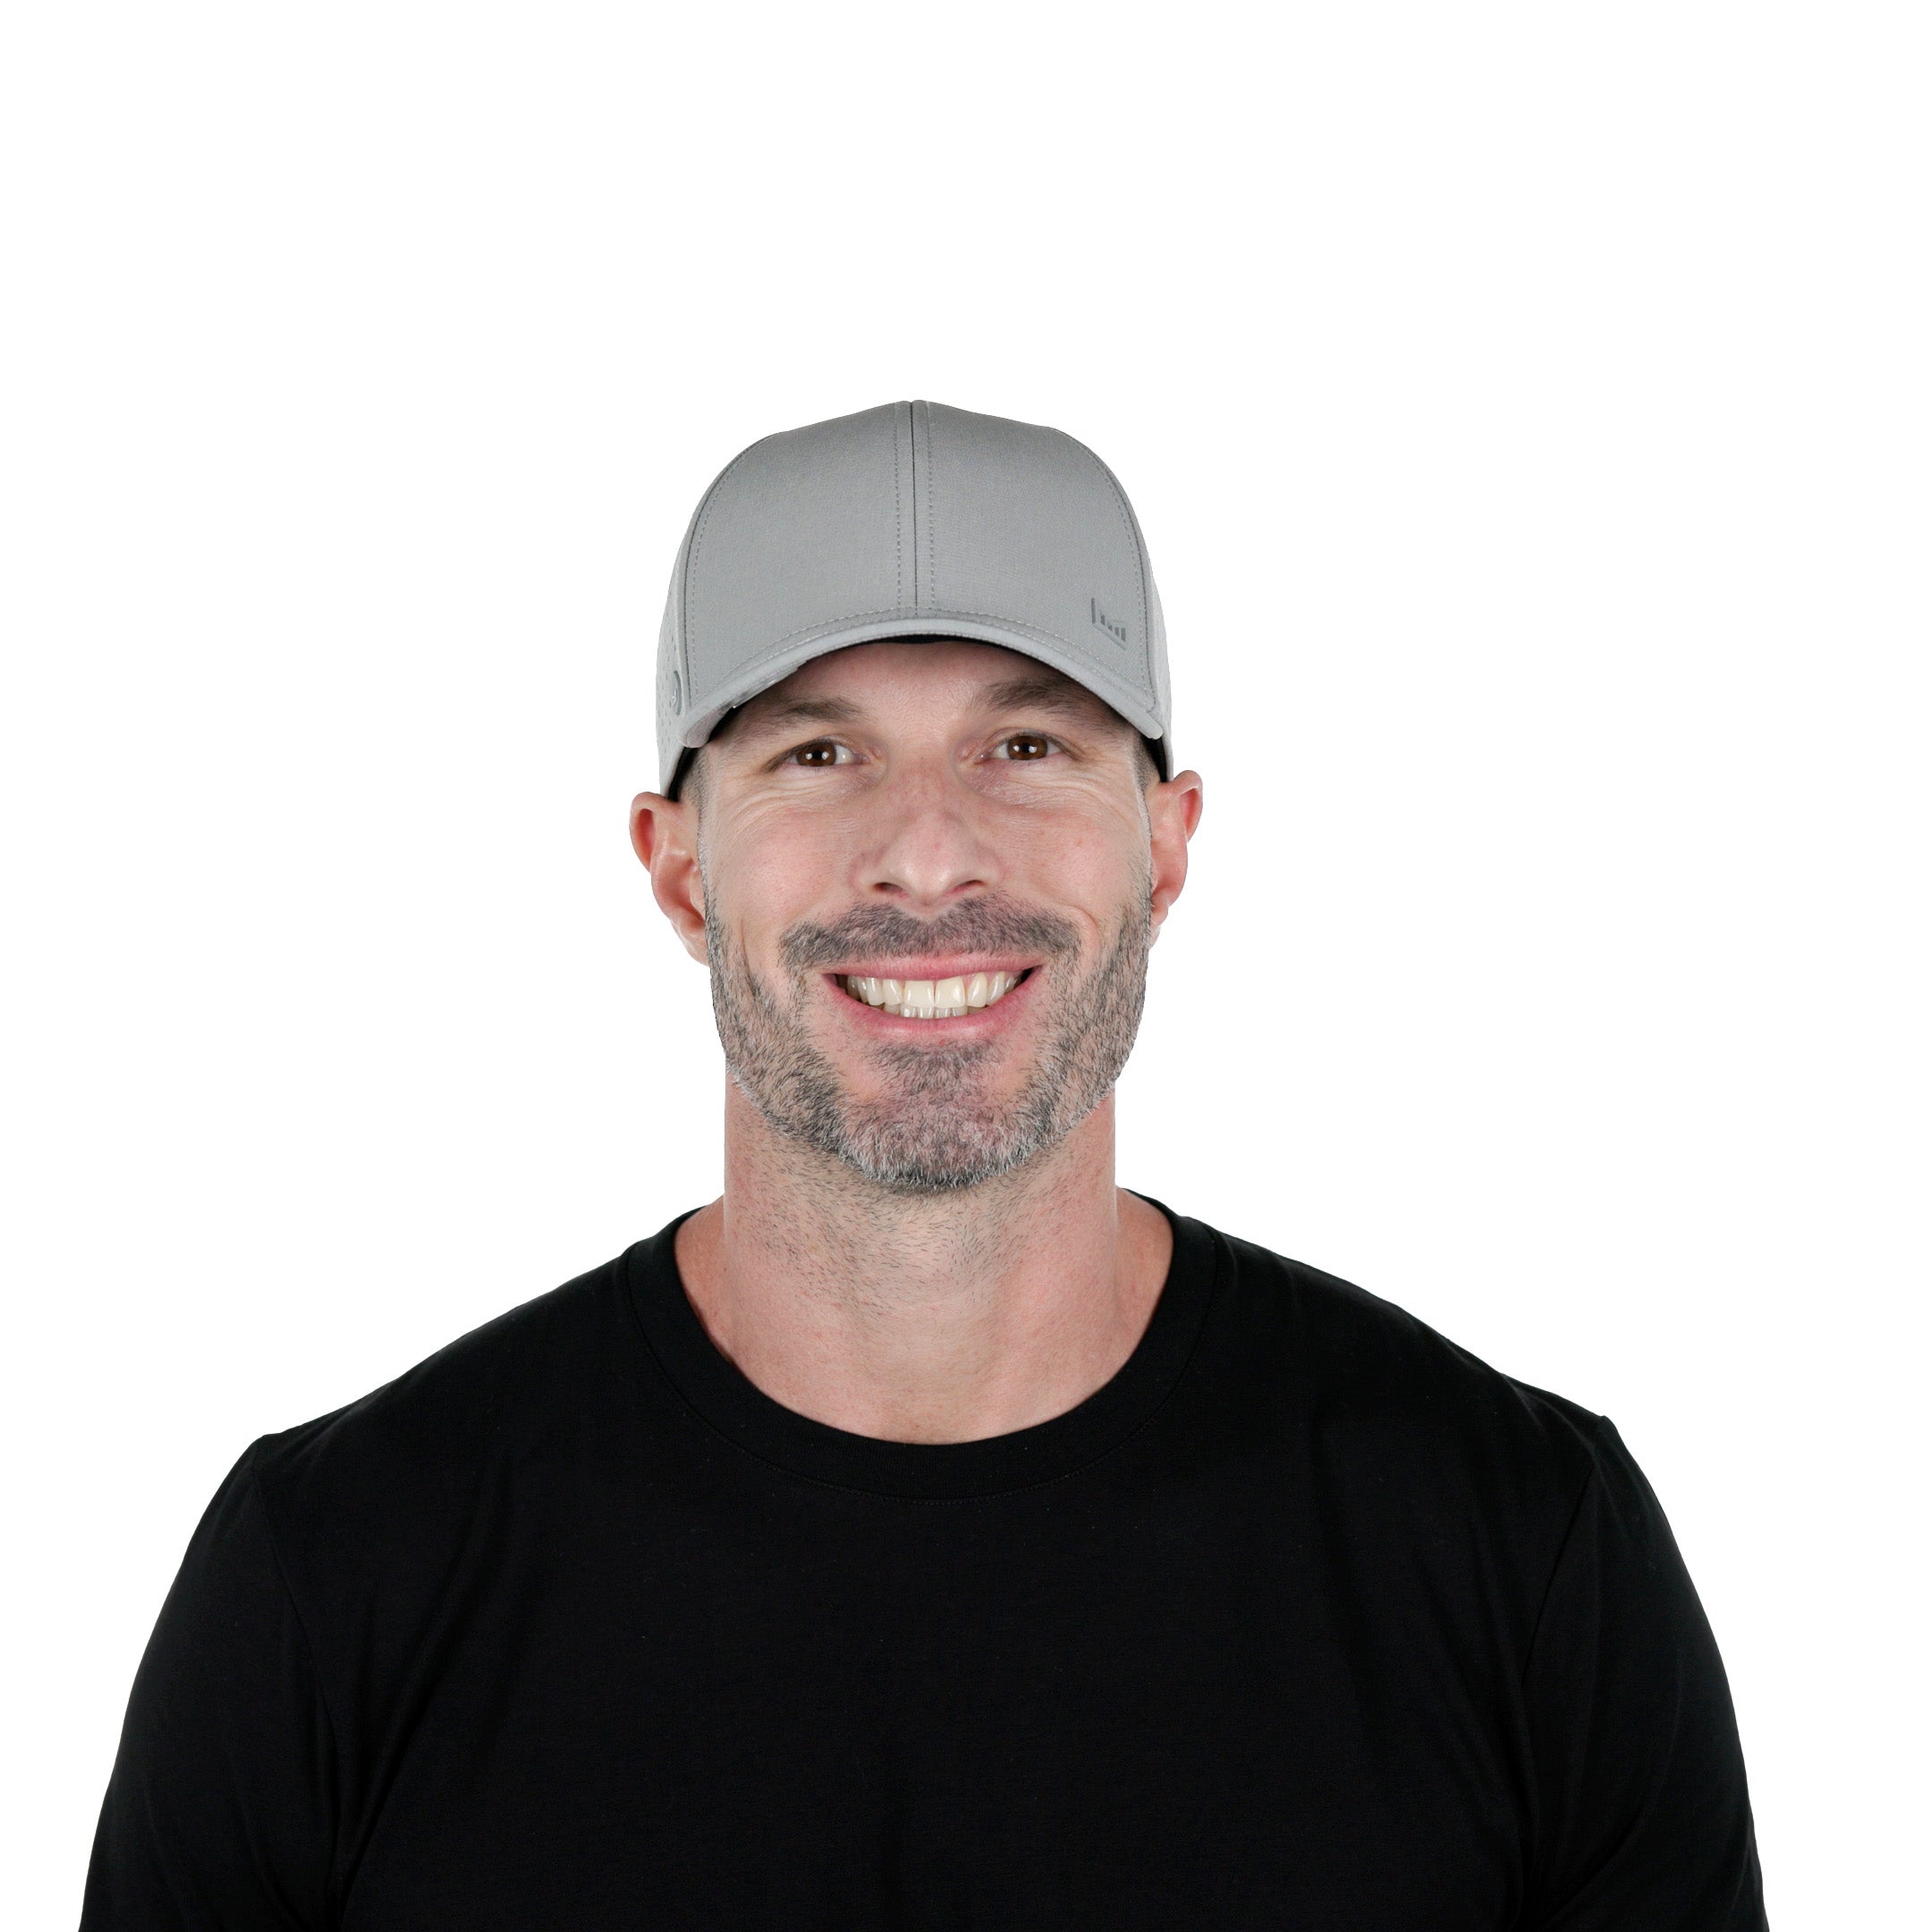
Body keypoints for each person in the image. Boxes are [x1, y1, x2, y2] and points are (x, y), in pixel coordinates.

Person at [83, 402, 1767, 1929]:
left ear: (1166, 845)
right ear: (679, 869)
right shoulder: (338, 1577)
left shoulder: (1522, 1554)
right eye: (818, 755)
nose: (929, 855)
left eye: (1024, 747)